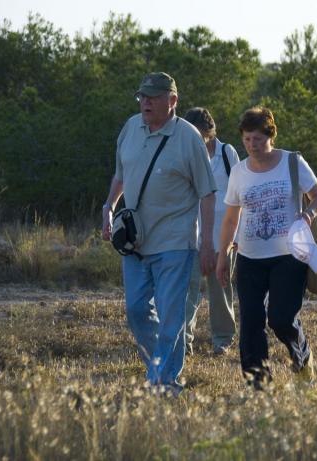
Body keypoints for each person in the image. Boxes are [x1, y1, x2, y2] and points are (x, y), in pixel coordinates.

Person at [101, 72, 217, 395]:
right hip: (135, 243)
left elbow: (208, 193)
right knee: (136, 311)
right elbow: (120, 175)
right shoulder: (130, 129)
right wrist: (109, 205)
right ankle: (158, 370)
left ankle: (165, 382)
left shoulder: (189, 137)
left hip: (176, 244)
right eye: (142, 96)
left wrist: (207, 243)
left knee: (171, 319)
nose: (146, 102)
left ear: (173, 101)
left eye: (153, 97)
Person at [215, 106, 317, 389]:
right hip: (249, 257)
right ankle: (258, 385)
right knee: (250, 324)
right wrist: (223, 255)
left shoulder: (292, 162)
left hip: (289, 256)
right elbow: (230, 219)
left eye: (258, 139)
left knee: (281, 318)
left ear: (271, 136)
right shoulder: (239, 172)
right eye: (247, 139)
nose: (252, 145)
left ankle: (302, 361)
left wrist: (307, 215)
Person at [183, 107, 240, 356]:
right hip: (189, 237)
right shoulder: (183, 153)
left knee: (221, 292)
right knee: (187, 294)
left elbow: (240, 195)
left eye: (199, 135)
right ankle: (183, 343)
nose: (195, 139)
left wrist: (238, 236)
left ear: (209, 132)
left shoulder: (227, 153)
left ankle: (223, 340)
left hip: (224, 236)